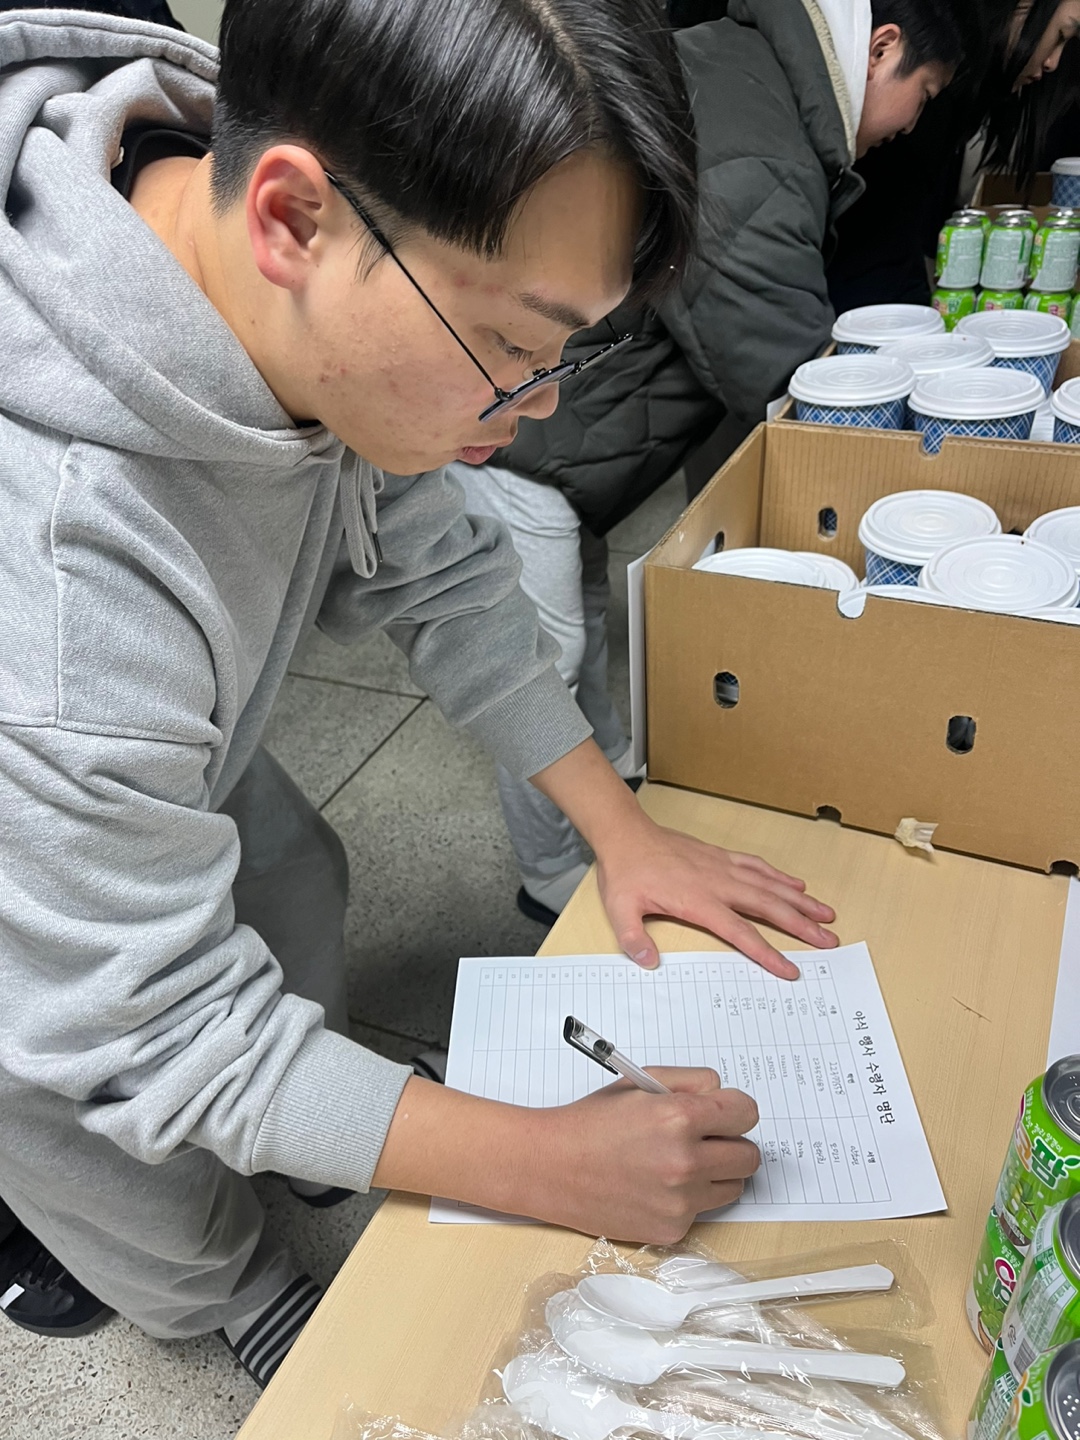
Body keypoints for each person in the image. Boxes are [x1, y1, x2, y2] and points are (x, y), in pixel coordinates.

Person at [0, 0, 839, 1388]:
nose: (541, 400)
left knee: (290, 874)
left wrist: (620, 831)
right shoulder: (62, 592)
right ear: (292, 220)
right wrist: (545, 1160)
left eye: (570, 346)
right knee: (82, 1116)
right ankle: (233, 1287)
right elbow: (145, 1031)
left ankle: (312, 1120)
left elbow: (442, 573)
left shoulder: (286, 269)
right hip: (37, 812)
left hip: (139, 724)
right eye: (514, 341)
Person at [453, 0, 965, 927]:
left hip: (563, 432)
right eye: (922, 95)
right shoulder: (759, 145)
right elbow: (772, 355)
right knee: (541, 661)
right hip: (524, 430)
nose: (911, 125)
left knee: (572, 631)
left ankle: (617, 797)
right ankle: (552, 875)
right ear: (881, 48)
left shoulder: (742, 68)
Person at [829, 0, 1080, 313]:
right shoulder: (936, 74)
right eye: (1060, 36)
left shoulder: (970, 89)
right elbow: (875, 231)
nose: (1054, 62)